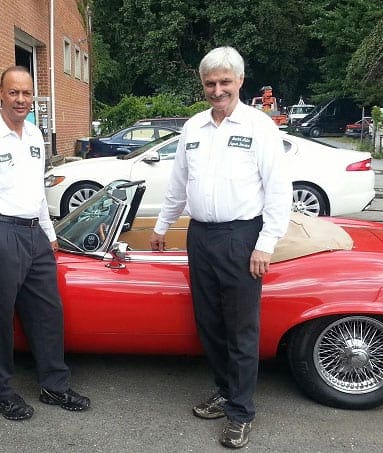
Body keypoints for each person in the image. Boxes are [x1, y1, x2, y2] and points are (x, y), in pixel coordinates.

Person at [150, 47, 291, 449]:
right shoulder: (193, 128)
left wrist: (265, 244)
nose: (217, 90)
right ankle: (226, 391)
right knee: (209, 324)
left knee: (241, 329)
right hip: (202, 236)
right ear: (203, 85)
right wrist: (162, 226)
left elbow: (279, 190)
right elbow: (178, 184)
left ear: (240, 82)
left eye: (224, 82)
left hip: (242, 237)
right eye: (210, 83)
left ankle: (241, 412)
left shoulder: (260, 126)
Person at [0, 66, 90, 421]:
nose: (21, 100)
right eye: (14, 92)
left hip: (35, 234)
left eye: (26, 93)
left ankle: (54, 387)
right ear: (0, 92)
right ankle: (1, 393)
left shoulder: (35, 135)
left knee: (47, 313)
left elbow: (36, 191)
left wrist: (50, 234)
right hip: (1, 233)